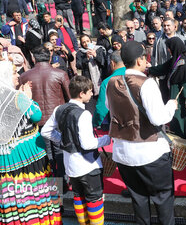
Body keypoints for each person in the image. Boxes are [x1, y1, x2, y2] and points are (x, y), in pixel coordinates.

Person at [105, 41, 178, 225]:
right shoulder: (147, 83)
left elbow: (109, 107)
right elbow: (158, 118)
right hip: (150, 153)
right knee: (163, 200)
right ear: (139, 60)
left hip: (123, 153)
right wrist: (171, 106)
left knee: (138, 201)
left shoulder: (110, 82)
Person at [41, 76, 111, 225]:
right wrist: (108, 139)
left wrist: (62, 139)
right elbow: (87, 144)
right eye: (90, 91)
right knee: (95, 199)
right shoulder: (84, 114)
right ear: (81, 93)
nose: (92, 94)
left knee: (78, 196)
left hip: (70, 164)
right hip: (88, 165)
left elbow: (45, 132)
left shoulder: (59, 108)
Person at [0, 61, 62, 225]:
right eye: (14, 73)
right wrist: (28, 99)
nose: (18, 76)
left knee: (13, 192)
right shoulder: (17, 97)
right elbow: (36, 115)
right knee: (40, 187)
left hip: (6, 159)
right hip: (30, 153)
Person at [19, 46, 71, 188]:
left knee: (45, 153)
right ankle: (62, 185)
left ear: (33, 58)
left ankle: (52, 187)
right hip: (57, 120)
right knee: (59, 151)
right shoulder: (60, 74)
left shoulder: (25, 76)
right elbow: (70, 98)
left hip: (36, 121)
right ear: (49, 57)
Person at [149, 37, 186, 146]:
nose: (168, 50)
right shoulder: (175, 60)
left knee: (185, 123)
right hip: (176, 96)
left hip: (183, 99)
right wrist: (148, 69)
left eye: (169, 47)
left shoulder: (184, 64)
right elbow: (162, 68)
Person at [93, 50, 126, 130]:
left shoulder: (108, 82)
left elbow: (102, 108)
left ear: (112, 63)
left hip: (118, 127)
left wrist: (94, 123)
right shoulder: (138, 77)